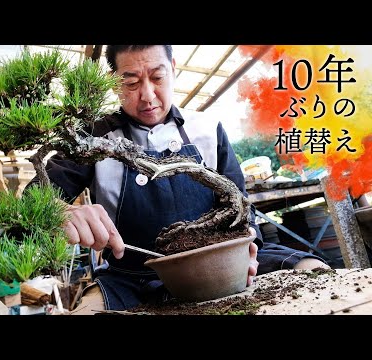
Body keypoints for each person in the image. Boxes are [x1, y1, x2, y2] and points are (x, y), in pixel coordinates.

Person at [28, 45, 329, 314]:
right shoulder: (91, 139)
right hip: (132, 277)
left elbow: (240, 204)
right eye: (131, 82)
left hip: (217, 263)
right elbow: (31, 202)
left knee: (313, 271)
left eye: (157, 77)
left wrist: (247, 245)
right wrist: (59, 211)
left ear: (173, 68)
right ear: (112, 82)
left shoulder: (207, 129)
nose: (147, 96)